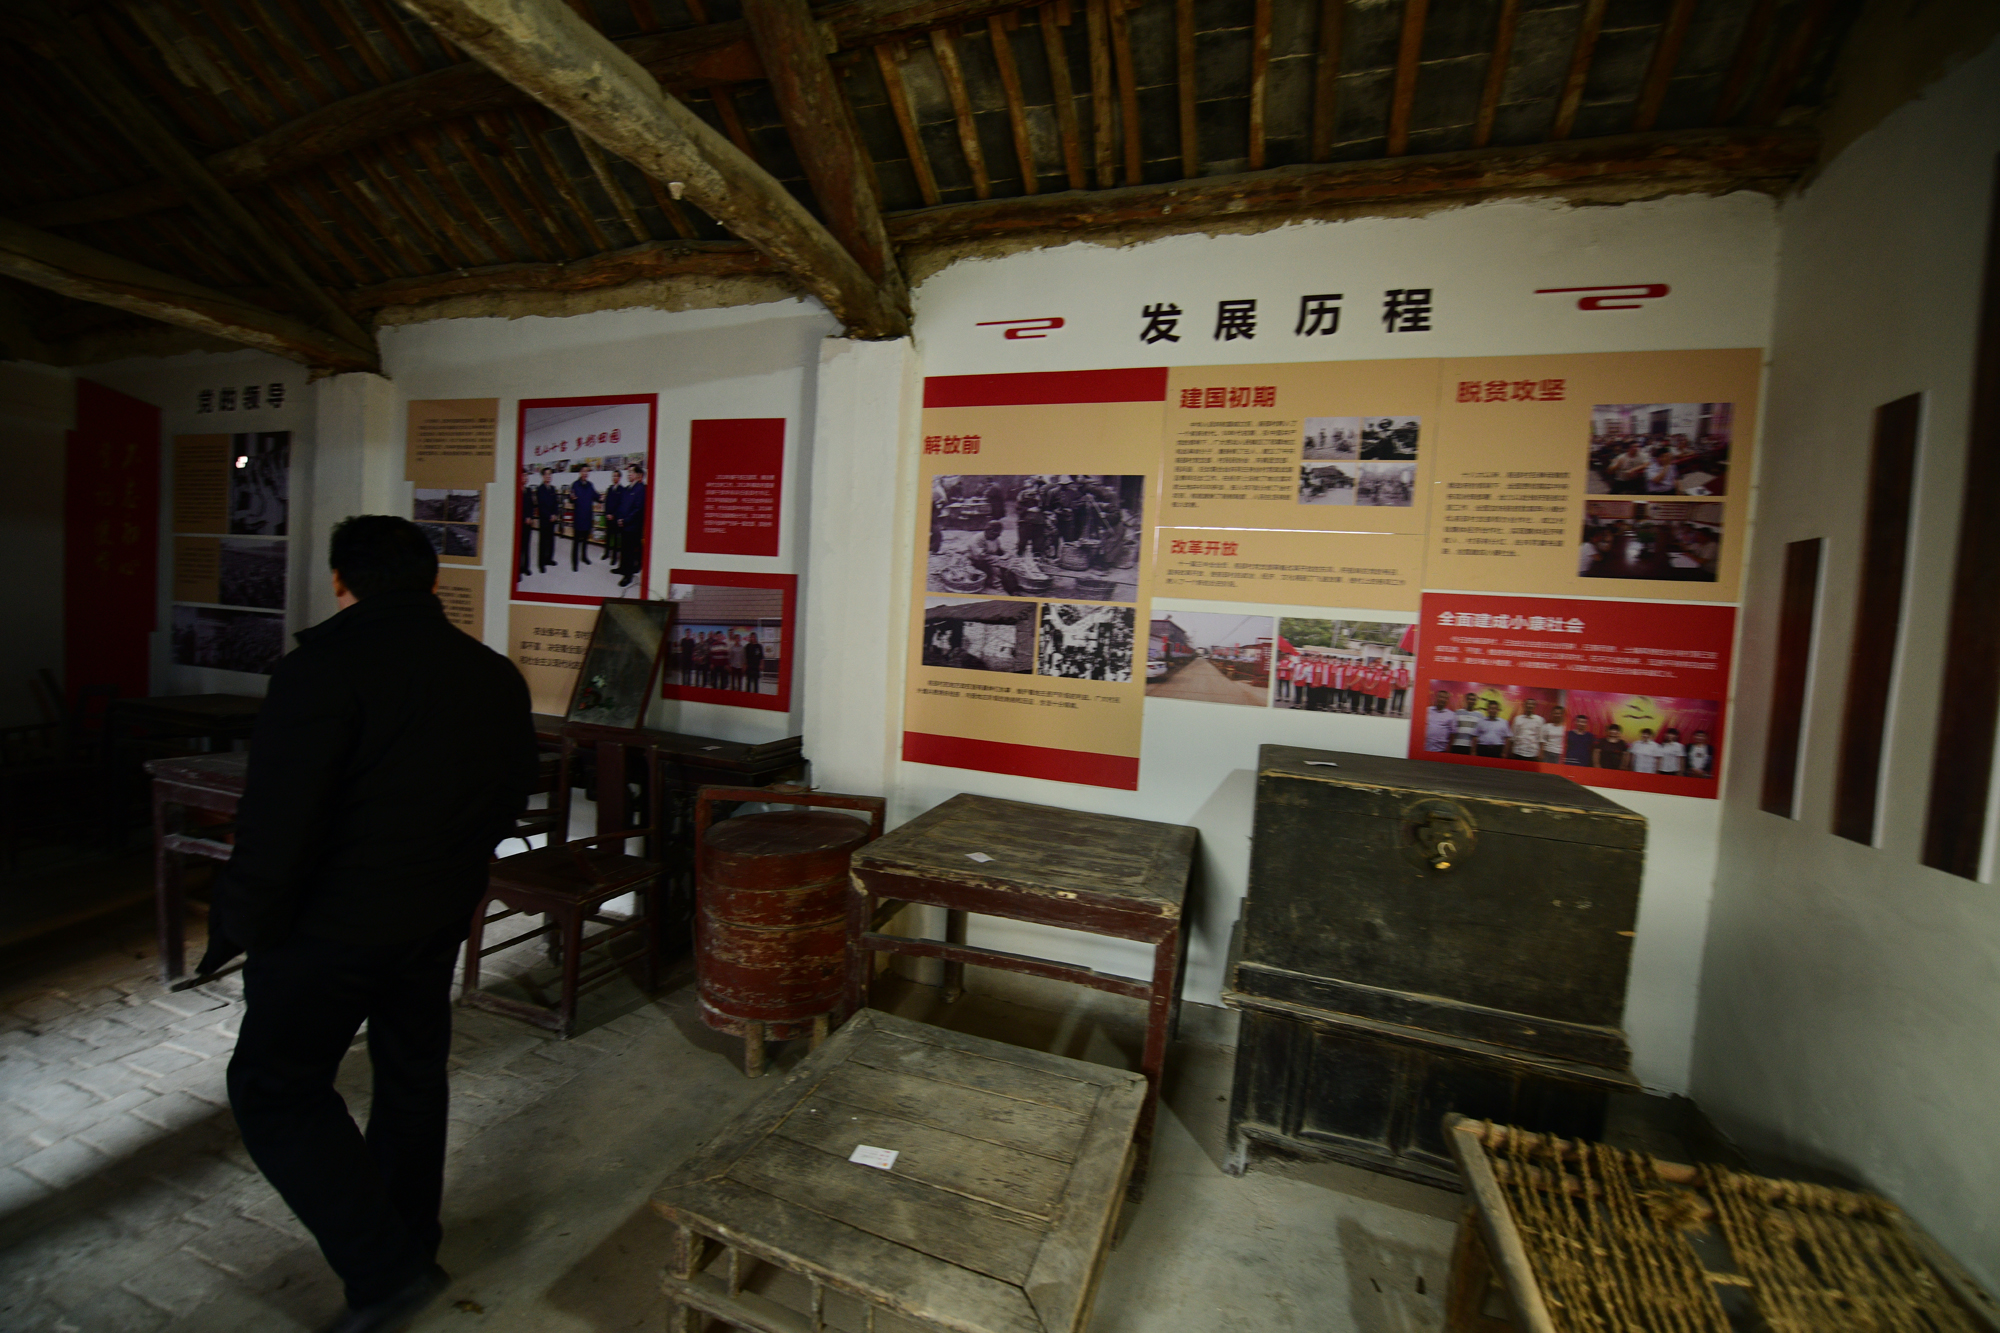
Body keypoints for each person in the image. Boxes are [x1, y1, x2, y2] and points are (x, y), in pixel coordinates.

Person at [207, 516, 537, 1333]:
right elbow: (506, 799)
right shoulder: (492, 674)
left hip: (329, 927)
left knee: (273, 1088)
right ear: (433, 582)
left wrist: (243, 923)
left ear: (340, 581)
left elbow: (277, 824)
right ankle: (410, 1242)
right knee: (411, 1076)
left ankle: (386, 1269)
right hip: (433, 917)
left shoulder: (319, 671)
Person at [613, 463, 647, 587]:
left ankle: (628, 576)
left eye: (631, 472)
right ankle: (622, 568)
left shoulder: (640, 489)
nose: (629, 474)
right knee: (624, 549)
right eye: (628, 472)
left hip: (632, 526)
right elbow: (622, 505)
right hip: (624, 525)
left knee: (630, 552)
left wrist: (625, 520)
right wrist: (619, 518)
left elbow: (638, 509)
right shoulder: (627, 488)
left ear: (638, 475)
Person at [568, 470, 599, 570]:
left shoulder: (590, 485)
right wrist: (571, 498)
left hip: (587, 517)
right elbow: (570, 497)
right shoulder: (575, 484)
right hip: (579, 517)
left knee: (585, 540)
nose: (585, 473)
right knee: (576, 542)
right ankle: (575, 563)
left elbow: (596, 496)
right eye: (583, 471)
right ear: (580, 473)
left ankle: (584, 557)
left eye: (587, 472)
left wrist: (601, 498)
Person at [532, 468, 560, 571]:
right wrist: (549, 516)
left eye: (550, 474)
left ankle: (549, 559)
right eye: (546, 474)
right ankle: (541, 564)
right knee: (543, 541)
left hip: (552, 519)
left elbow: (555, 503)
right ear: (543, 476)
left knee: (551, 540)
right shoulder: (540, 489)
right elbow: (541, 506)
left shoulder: (552, 488)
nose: (548, 476)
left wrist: (555, 514)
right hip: (544, 519)